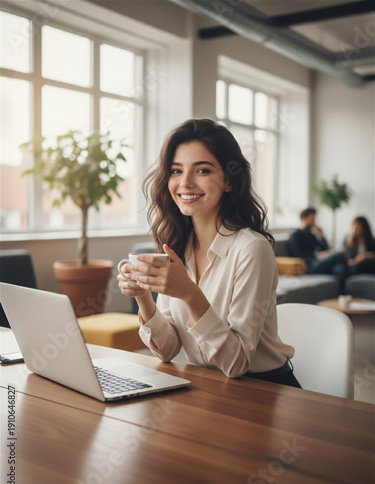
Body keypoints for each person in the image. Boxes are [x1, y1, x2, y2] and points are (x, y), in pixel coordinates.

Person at [117, 119, 301, 388]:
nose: (185, 183)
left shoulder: (252, 249)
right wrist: (143, 296)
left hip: (263, 390)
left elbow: (237, 363)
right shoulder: (177, 245)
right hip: (207, 388)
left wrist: (189, 293)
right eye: (176, 171)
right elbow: (166, 350)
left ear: (228, 180)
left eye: (202, 170)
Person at [287, 207, 348, 293]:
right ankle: (343, 296)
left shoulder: (311, 235)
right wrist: (315, 255)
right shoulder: (295, 235)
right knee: (339, 255)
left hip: (318, 262)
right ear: (303, 218)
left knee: (339, 268)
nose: (314, 222)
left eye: (314, 219)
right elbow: (297, 255)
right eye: (312, 218)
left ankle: (341, 297)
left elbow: (326, 249)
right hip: (308, 266)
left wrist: (321, 236)